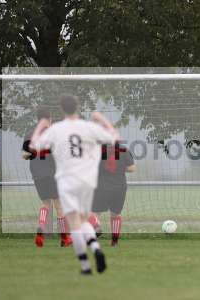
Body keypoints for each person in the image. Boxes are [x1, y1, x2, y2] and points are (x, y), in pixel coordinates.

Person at [30, 94, 117, 275]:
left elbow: (34, 146)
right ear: (77, 107)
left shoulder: (56, 129)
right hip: (87, 180)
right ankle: (96, 249)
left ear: (61, 109)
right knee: (84, 220)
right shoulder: (89, 127)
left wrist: (42, 124)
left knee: (75, 224)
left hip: (66, 180)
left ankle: (85, 266)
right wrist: (102, 119)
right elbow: (114, 138)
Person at [22, 108, 72, 248]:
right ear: (49, 118)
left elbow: (25, 155)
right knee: (59, 206)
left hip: (37, 174)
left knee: (45, 204)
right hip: (52, 173)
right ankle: (64, 238)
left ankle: (41, 229)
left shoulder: (30, 133)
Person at [88, 143, 136, 246]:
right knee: (115, 214)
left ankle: (96, 226)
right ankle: (114, 241)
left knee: (94, 213)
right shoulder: (123, 149)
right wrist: (121, 168)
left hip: (101, 186)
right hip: (119, 187)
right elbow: (132, 168)